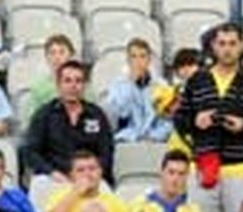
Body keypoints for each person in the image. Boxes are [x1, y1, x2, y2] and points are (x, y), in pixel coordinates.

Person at [175, 23, 243, 212]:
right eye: (222, 43)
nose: (227, 49)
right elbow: (179, 120)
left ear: (241, 46)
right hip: (204, 167)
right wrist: (195, 121)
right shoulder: (197, 80)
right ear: (213, 46)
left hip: (241, 169)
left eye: (232, 43)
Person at [24, 60, 116, 191]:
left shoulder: (97, 115)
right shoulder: (44, 115)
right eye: (67, 81)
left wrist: (88, 173)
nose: (73, 86)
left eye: (78, 81)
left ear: (84, 85)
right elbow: (31, 152)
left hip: (90, 177)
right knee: (39, 185)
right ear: (58, 85)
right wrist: (52, 173)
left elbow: (106, 152)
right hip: (54, 178)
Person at [130, 149, 207, 212]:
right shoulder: (139, 207)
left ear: (187, 177)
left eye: (181, 174)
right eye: (171, 172)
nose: (175, 179)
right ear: (161, 173)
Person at [104, 37, 175, 144]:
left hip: (155, 140)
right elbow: (116, 117)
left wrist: (154, 137)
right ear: (128, 60)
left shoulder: (162, 85)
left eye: (142, 56)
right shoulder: (118, 85)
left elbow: (168, 120)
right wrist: (130, 84)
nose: (138, 61)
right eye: (134, 56)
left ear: (149, 59)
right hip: (126, 139)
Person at [22, 32, 78, 123]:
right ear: (47, 58)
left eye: (62, 52)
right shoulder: (39, 88)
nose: (57, 57)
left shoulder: (83, 86)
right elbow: (33, 120)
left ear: (70, 56)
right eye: (52, 53)